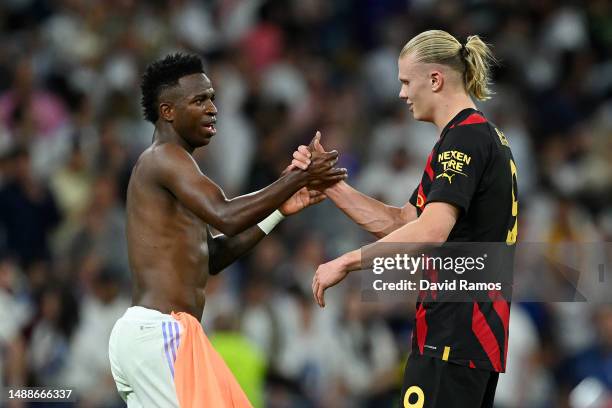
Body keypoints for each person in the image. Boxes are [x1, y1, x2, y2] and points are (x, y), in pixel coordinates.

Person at [293, 30, 518, 407]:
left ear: (435, 79)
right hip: (467, 341)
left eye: (405, 82)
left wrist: (347, 262)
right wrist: (328, 184)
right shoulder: (475, 138)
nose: (401, 94)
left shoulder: (465, 140)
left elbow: (431, 230)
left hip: (453, 336)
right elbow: (403, 222)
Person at [108, 53, 346, 408]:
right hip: (160, 335)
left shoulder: (177, 167)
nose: (212, 108)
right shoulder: (163, 158)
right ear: (168, 111)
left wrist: (279, 210)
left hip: (156, 337)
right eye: (199, 100)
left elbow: (213, 256)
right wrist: (298, 176)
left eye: (212, 98)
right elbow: (226, 214)